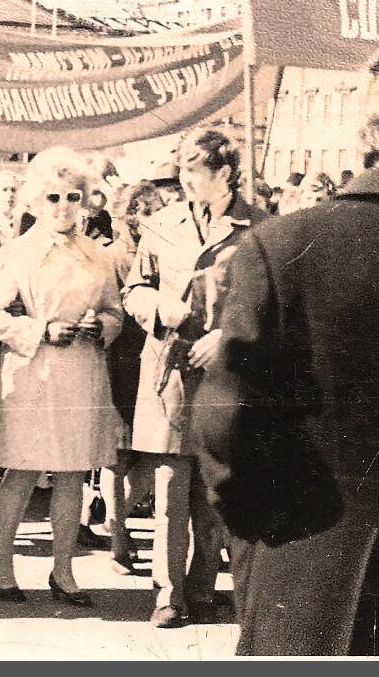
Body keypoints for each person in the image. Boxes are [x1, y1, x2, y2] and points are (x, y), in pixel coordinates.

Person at [190, 44, 379, 656]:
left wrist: (259, 534)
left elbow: (226, 422)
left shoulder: (283, 246)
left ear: (364, 129)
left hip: (301, 574)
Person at [122, 127, 267, 628]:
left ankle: (203, 587)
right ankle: (168, 594)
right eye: (182, 171)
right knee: (168, 488)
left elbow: (269, 303)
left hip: (226, 374)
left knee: (214, 489)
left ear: (225, 173)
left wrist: (227, 336)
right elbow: (135, 288)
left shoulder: (258, 227)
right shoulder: (162, 224)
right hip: (169, 370)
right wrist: (157, 307)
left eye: (195, 171)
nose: (185, 181)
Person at [0, 146, 124, 607]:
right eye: (53, 197)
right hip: (32, 374)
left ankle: (63, 571)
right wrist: (41, 329)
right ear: (36, 200)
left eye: (73, 197)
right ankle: (1, 565)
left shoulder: (97, 254)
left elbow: (114, 310)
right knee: (22, 470)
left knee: (72, 473)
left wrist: (102, 326)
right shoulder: (15, 254)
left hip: (81, 372)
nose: (63, 206)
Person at [97, 180, 167, 572]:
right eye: (148, 211)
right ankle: (118, 539)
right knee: (118, 455)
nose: (156, 217)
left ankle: (116, 518)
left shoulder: (162, 251)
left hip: (153, 361)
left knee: (153, 453)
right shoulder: (111, 256)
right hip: (120, 361)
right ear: (129, 216)